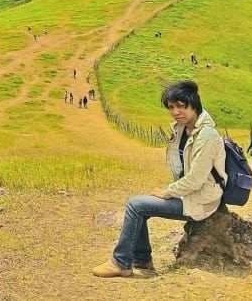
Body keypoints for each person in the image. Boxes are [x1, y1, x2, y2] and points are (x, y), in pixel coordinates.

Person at [92, 80, 226, 278]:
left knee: (136, 205)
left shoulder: (206, 135)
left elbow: (196, 179)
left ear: (194, 104)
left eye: (181, 106)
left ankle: (121, 262)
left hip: (201, 200)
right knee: (141, 205)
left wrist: (167, 192)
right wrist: (168, 191)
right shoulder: (183, 130)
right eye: (171, 107)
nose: (175, 112)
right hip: (190, 194)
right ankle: (142, 261)